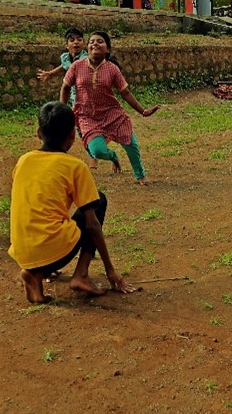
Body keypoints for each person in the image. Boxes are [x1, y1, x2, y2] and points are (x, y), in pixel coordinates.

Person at [7, 101, 137, 303]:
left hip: (22, 252)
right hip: (54, 251)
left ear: (39, 133)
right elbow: (92, 224)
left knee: (50, 222)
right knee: (98, 201)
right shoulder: (75, 167)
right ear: (72, 136)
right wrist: (110, 270)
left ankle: (36, 273)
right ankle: (81, 275)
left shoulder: (23, 160)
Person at [60, 31, 159, 184]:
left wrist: (143, 111)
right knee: (97, 151)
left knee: (130, 143)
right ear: (88, 47)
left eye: (100, 41)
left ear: (108, 49)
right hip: (87, 116)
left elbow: (125, 92)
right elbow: (65, 87)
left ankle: (140, 175)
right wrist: (62, 109)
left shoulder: (112, 69)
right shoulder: (77, 66)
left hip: (112, 113)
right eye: (92, 41)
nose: (95, 44)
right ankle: (113, 157)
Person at [36, 28, 97, 168]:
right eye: (72, 40)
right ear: (66, 45)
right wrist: (50, 73)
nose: (76, 42)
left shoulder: (85, 58)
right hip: (75, 98)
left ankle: (96, 153)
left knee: (86, 127)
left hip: (88, 97)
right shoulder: (65, 57)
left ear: (83, 43)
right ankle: (93, 153)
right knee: (80, 128)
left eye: (79, 40)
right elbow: (64, 67)